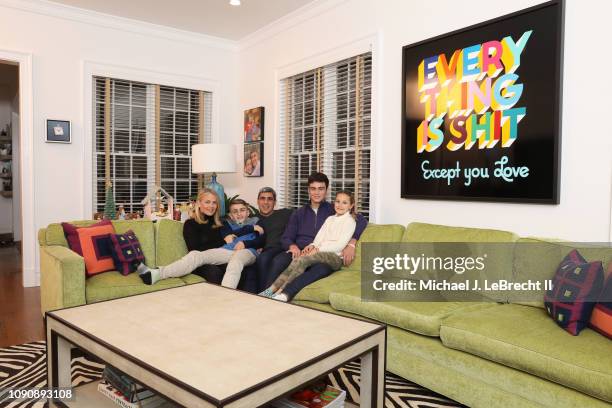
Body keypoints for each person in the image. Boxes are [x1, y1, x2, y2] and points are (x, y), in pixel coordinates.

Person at [261, 172, 367, 300]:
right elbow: (286, 237)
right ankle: (266, 295)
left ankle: (285, 293)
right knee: (278, 261)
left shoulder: (334, 210)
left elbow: (360, 219)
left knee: (321, 269)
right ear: (308, 190)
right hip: (301, 250)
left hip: (325, 252)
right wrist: (293, 246)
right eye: (313, 188)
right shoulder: (299, 213)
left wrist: (352, 243)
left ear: (326, 191)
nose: (317, 192)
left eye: (321, 189)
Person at [138, 195, 264, 288]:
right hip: (227, 251)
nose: (239, 214)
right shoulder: (226, 223)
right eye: (235, 211)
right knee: (195, 255)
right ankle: (156, 273)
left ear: (248, 211)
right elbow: (227, 236)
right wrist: (250, 229)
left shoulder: (256, 221)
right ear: (230, 215)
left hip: (248, 251)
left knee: (235, 262)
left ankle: (225, 295)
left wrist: (246, 243)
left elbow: (261, 239)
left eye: (242, 210)